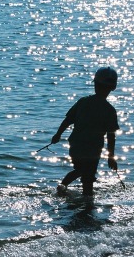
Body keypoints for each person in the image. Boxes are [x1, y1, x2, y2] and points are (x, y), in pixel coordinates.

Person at [51, 67, 120, 201]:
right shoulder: (109, 110)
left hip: (76, 144)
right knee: (87, 175)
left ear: (95, 84)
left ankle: (63, 186)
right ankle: (87, 204)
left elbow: (67, 120)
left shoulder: (83, 102)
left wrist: (58, 135)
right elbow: (111, 136)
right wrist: (111, 156)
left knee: (81, 170)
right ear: (112, 88)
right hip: (94, 149)